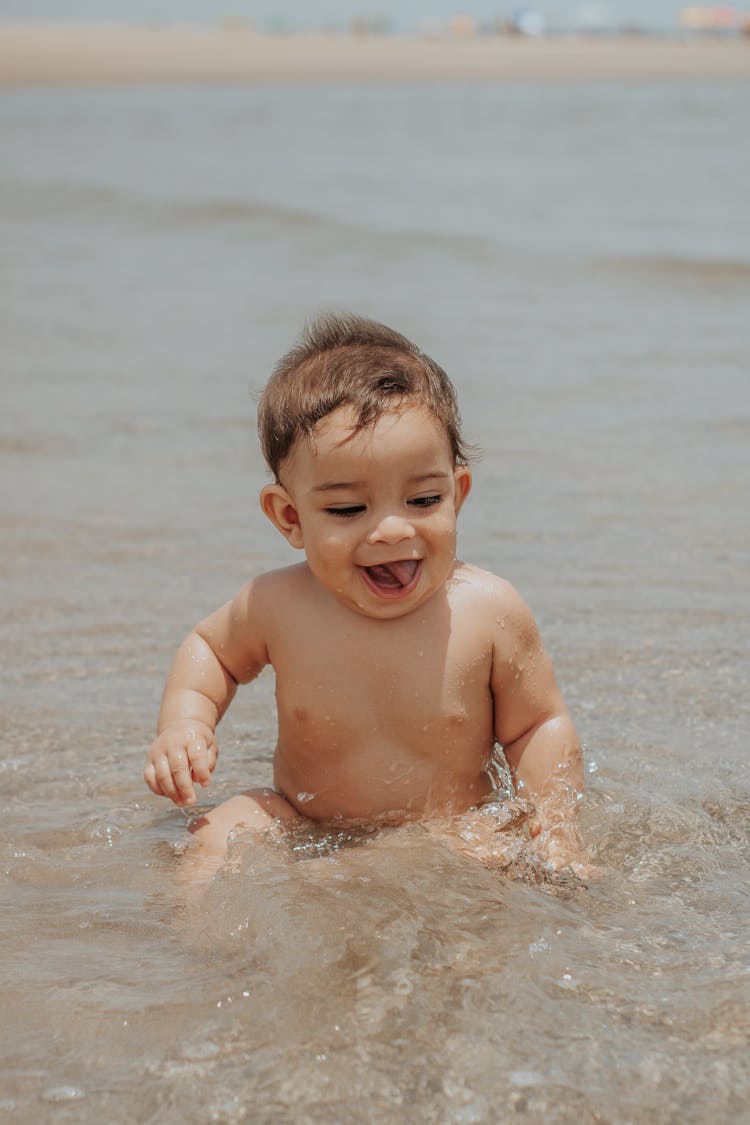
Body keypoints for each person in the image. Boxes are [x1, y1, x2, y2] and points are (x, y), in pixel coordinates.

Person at [144, 313, 587, 876]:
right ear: (290, 516)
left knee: (503, 857)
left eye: (424, 500)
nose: (393, 530)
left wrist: (553, 826)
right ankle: (193, 954)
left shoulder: (487, 610)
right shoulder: (278, 605)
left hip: (453, 826)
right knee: (214, 834)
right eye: (348, 509)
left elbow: (539, 726)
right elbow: (212, 651)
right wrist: (185, 724)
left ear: (459, 492)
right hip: (304, 820)